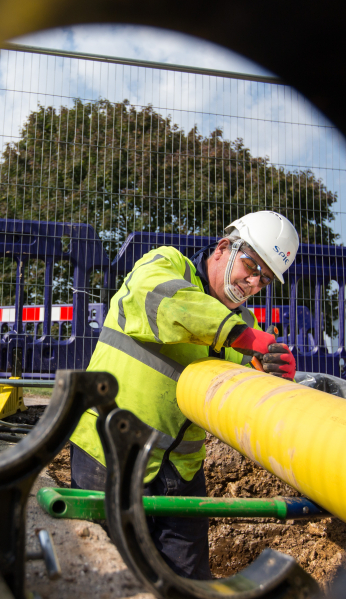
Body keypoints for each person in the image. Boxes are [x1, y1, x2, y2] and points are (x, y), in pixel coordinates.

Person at [69, 210, 299, 580]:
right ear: (224, 247)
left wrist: (271, 375)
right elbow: (163, 299)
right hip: (108, 449)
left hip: (179, 466)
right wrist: (240, 336)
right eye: (251, 265)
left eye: (265, 279)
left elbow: (243, 390)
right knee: (105, 574)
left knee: (189, 579)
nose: (253, 282)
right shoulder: (167, 264)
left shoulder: (245, 326)